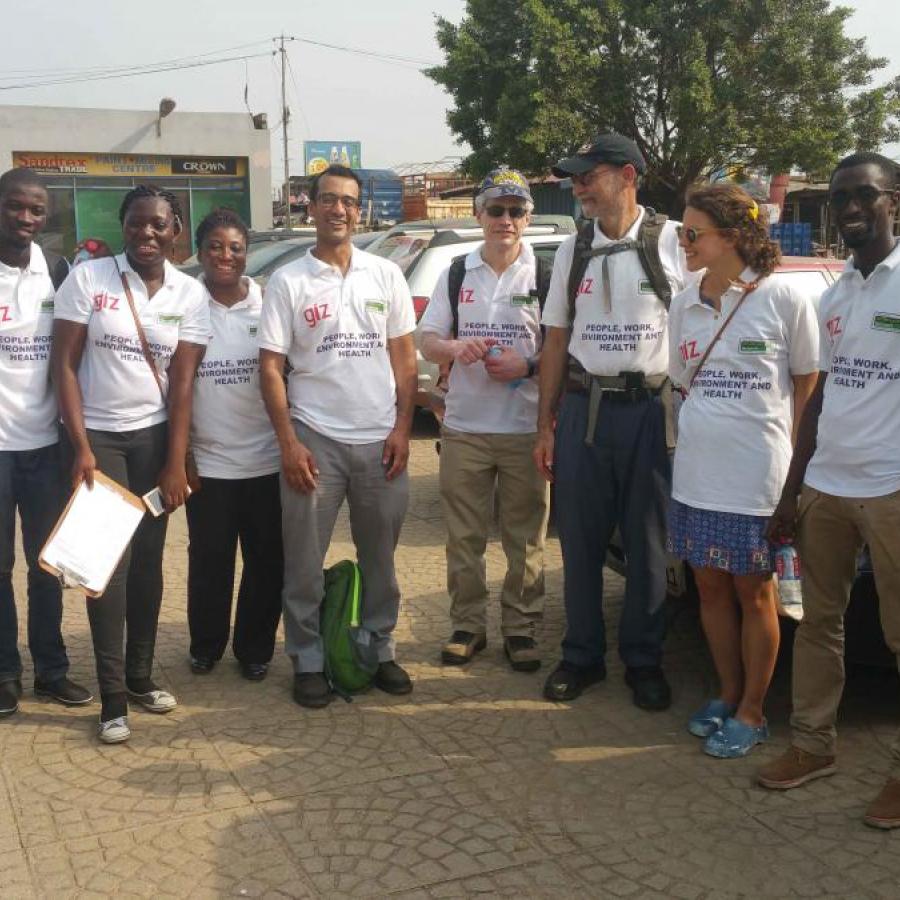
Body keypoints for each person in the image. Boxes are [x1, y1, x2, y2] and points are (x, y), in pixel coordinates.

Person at [757, 152, 900, 828]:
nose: (848, 208)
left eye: (863, 195)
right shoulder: (837, 293)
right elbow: (819, 400)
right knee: (820, 625)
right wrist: (792, 492)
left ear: (892, 200)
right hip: (827, 489)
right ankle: (813, 746)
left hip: (892, 490)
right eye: (840, 196)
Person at [534, 132, 689, 711]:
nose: (578, 188)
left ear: (627, 176)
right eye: (575, 178)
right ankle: (581, 656)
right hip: (585, 411)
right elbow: (554, 341)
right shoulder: (574, 249)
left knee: (649, 546)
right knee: (580, 542)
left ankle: (644, 662)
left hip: (652, 411)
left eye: (588, 176)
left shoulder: (674, 242)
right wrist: (545, 426)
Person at [52, 184, 210, 744]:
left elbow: (184, 384)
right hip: (100, 438)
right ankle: (113, 697)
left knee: (147, 562)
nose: (148, 233)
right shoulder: (90, 279)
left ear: (175, 232)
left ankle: (142, 678)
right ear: (125, 226)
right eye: (138, 223)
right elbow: (64, 366)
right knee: (106, 570)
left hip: (154, 441)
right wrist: (82, 448)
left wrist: (175, 462)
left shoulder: (190, 294)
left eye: (159, 225)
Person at [667, 184, 819, 757]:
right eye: (684, 231)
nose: (683, 241)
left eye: (693, 232)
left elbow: (807, 387)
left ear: (731, 236)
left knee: (755, 593)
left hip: (758, 476)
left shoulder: (783, 299)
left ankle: (754, 709)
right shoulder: (685, 301)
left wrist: (796, 479)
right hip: (697, 471)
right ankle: (728, 693)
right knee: (708, 586)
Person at [259, 164, 417, 708]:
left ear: (360, 209)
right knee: (303, 564)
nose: (339, 210)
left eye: (349, 201)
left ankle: (380, 648)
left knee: (382, 560)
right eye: (328, 199)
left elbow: (404, 360)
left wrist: (402, 428)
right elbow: (271, 368)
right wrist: (289, 443)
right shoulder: (288, 280)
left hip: (380, 443)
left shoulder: (385, 275)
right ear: (312, 206)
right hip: (315, 440)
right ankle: (307, 659)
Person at [418, 168, 549, 671]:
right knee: (465, 537)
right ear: (478, 215)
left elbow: (560, 349)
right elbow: (426, 339)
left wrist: (528, 365)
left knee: (526, 538)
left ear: (528, 219)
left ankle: (521, 628)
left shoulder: (544, 274)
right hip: (466, 428)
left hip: (524, 430)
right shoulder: (457, 271)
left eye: (516, 211)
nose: (506, 220)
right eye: (496, 210)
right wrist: (455, 347)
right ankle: (467, 625)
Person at [0, 167, 92, 718]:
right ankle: (5, 673)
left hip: (44, 447)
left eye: (37, 210)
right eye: (16, 207)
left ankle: (51, 671)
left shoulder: (57, 270)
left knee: (46, 565)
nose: (27, 219)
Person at [186, 208, 283, 681]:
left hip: (265, 460)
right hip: (208, 463)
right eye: (216, 247)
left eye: (236, 248)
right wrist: (182, 455)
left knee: (266, 561)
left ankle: (254, 648)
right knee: (209, 562)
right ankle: (205, 645)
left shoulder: (266, 305)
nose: (226, 256)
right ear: (200, 253)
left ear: (247, 254)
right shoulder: (185, 303)